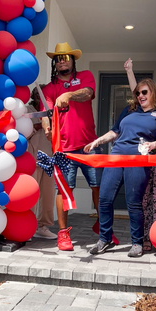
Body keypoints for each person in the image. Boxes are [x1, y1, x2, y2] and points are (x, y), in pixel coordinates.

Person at [85, 78, 156, 257]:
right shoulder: (129, 111)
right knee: (104, 199)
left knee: (133, 203)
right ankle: (105, 239)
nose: (140, 96)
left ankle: (137, 243)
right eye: (138, 93)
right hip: (116, 156)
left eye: (144, 92)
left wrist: (153, 145)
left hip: (138, 160)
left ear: (152, 92)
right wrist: (97, 141)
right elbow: (114, 132)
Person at [41, 42, 102, 251]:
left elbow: (87, 93)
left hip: (89, 145)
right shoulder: (49, 88)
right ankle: (63, 234)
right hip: (63, 148)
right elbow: (46, 113)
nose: (61, 62)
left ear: (73, 60)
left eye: (65, 58)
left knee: (98, 187)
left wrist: (68, 95)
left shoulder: (85, 76)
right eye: (58, 59)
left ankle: (104, 229)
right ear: (54, 65)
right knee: (64, 190)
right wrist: (47, 127)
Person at [124, 59, 156, 251]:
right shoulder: (145, 112)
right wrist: (129, 71)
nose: (145, 96)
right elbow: (138, 92)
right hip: (143, 162)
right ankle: (144, 238)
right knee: (143, 201)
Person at [27, 86, 57, 239]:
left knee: (48, 195)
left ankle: (43, 227)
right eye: (41, 95)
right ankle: (27, 226)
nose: (44, 98)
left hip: (49, 157)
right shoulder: (29, 109)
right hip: (33, 157)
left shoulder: (53, 111)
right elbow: (25, 131)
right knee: (31, 194)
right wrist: (41, 122)